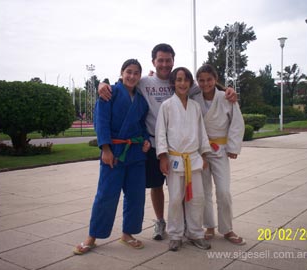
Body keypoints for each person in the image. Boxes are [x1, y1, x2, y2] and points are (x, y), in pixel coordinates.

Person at [98, 43, 238, 241]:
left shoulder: (181, 82)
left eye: (168, 60)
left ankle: (185, 224)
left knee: (182, 189)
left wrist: (228, 90)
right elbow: (125, 82)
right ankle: (161, 222)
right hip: (154, 144)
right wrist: (102, 85)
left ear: (173, 61)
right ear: (153, 62)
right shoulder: (144, 81)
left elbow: (208, 86)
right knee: (157, 187)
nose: (164, 64)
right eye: (160, 60)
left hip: (182, 148)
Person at [73, 59, 151, 255]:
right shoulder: (110, 93)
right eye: (129, 72)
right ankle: (92, 236)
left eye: (136, 73)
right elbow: (101, 121)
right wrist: (105, 149)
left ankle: (128, 234)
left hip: (136, 154)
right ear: (122, 72)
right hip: (114, 153)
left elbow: (143, 126)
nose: (132, 76)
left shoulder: (141, 101)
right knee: (106, 195)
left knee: (136, 197)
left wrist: (146, 139)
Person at [155, 67, 211, 251]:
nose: (182, 83)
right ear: (173, 83)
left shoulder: (195, 107)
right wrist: (163, 157)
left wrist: (204, 154)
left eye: (186, 79)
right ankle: (175, 234)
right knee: (175, 199)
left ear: (190, 83)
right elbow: (160, 133)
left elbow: (202, 132)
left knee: (197, 198)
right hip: (175, 159)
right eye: (178, 79)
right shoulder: (167, 106)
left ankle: (195, 233)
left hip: (193, 159)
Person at [192, 64, 246, 245]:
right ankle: (209, 226)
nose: (205, 83)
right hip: (201, 151)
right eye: (201, 80)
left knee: (223, 191)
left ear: (215, 79)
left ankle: (227, 229)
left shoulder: (226, 97)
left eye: (209, 79)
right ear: (197, 81)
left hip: (220, 149)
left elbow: (237, 123)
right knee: (204, 191)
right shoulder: (194, 98)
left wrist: (233, 147)